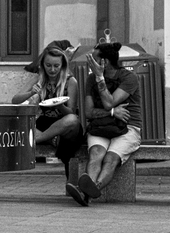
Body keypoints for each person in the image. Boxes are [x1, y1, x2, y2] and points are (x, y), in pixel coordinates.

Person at [65, 39, 141, 207]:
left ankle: (91, 190)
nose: (89, 62)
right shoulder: (91, 79)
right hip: (101, 126)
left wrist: (100, 77)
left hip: (128, 128)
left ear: (104, 62)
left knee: (110, 158)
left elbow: (109, 101)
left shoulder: (129, 78)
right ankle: (85, 192)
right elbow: (89, 112)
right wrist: (113, 112)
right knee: (96, 153)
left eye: (93, 58)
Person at [12, 43, 84, 178]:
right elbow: (15, 100)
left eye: (56, 66)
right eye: (48, 65)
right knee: (17, 122)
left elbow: (71, 112)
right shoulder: (38, 78)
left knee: (72, 120)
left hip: (63, 123)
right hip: (45, 123)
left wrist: (59, 105)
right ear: (42, 65)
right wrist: (31, 92)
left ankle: (38, 139)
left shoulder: (70, 81)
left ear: (62, 65)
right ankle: (51, 138)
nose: (52, 70)